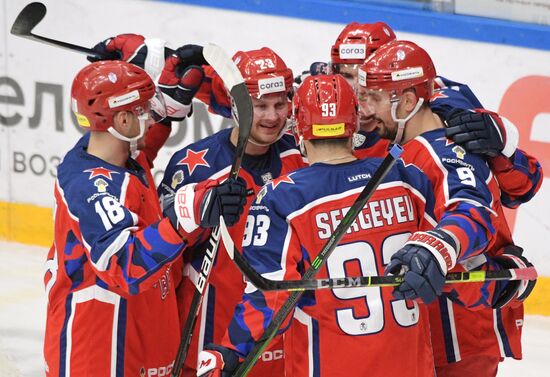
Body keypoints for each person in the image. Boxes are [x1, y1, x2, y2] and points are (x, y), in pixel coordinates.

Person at [196, 74, 447, 377]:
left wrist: (231, 351)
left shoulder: (282, 197)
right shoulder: (406, 177)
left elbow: (271, 295)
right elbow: (448, 253)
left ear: (298, 126)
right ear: (353, 122)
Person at [43, 60, 247, 377]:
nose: (152, 117)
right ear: (122, 121)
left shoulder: (117, 155)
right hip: (98, 347)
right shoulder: (90, 188)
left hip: (137, 335)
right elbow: (125, 267)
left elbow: (138, 160)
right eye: (143, 111)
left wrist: (169, 112)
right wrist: (183, 219)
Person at [357, 40, 537, 377]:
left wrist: (438, 247)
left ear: (408, 101)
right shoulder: (407, 144)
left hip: (463, 337)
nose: (364, 110)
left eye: (374, 98)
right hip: (434, 330)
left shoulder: (443, 150)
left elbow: (472, 211)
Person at [158, 47, 307, 375]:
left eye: (280, 105)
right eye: (259, 106)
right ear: (236, 104)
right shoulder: (195, 164)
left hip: (283, 332)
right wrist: (198, 209)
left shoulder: (303, 156)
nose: (272, 117)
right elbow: (159, 239)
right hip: (211, 339)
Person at [304, 21, 542, 209]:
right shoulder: (319, 100)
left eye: (370, 81)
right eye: (347, 75)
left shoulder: (442, 108)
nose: (357, 91)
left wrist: (504, 150)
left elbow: (517, 193)